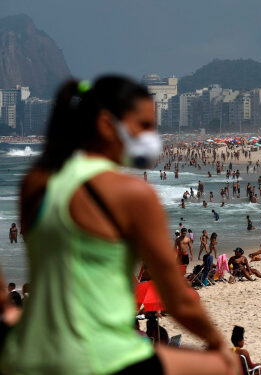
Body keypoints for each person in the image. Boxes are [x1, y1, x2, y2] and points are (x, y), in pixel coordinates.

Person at [1, 76, 235, 374]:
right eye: (144, 126)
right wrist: (217, 343)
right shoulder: (132, 194)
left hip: (27, 354)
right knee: (223, 368)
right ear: (105, 124)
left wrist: (8, 312)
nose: (151, 136)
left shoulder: (35, 184)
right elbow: (178, 301)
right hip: (98, 358)